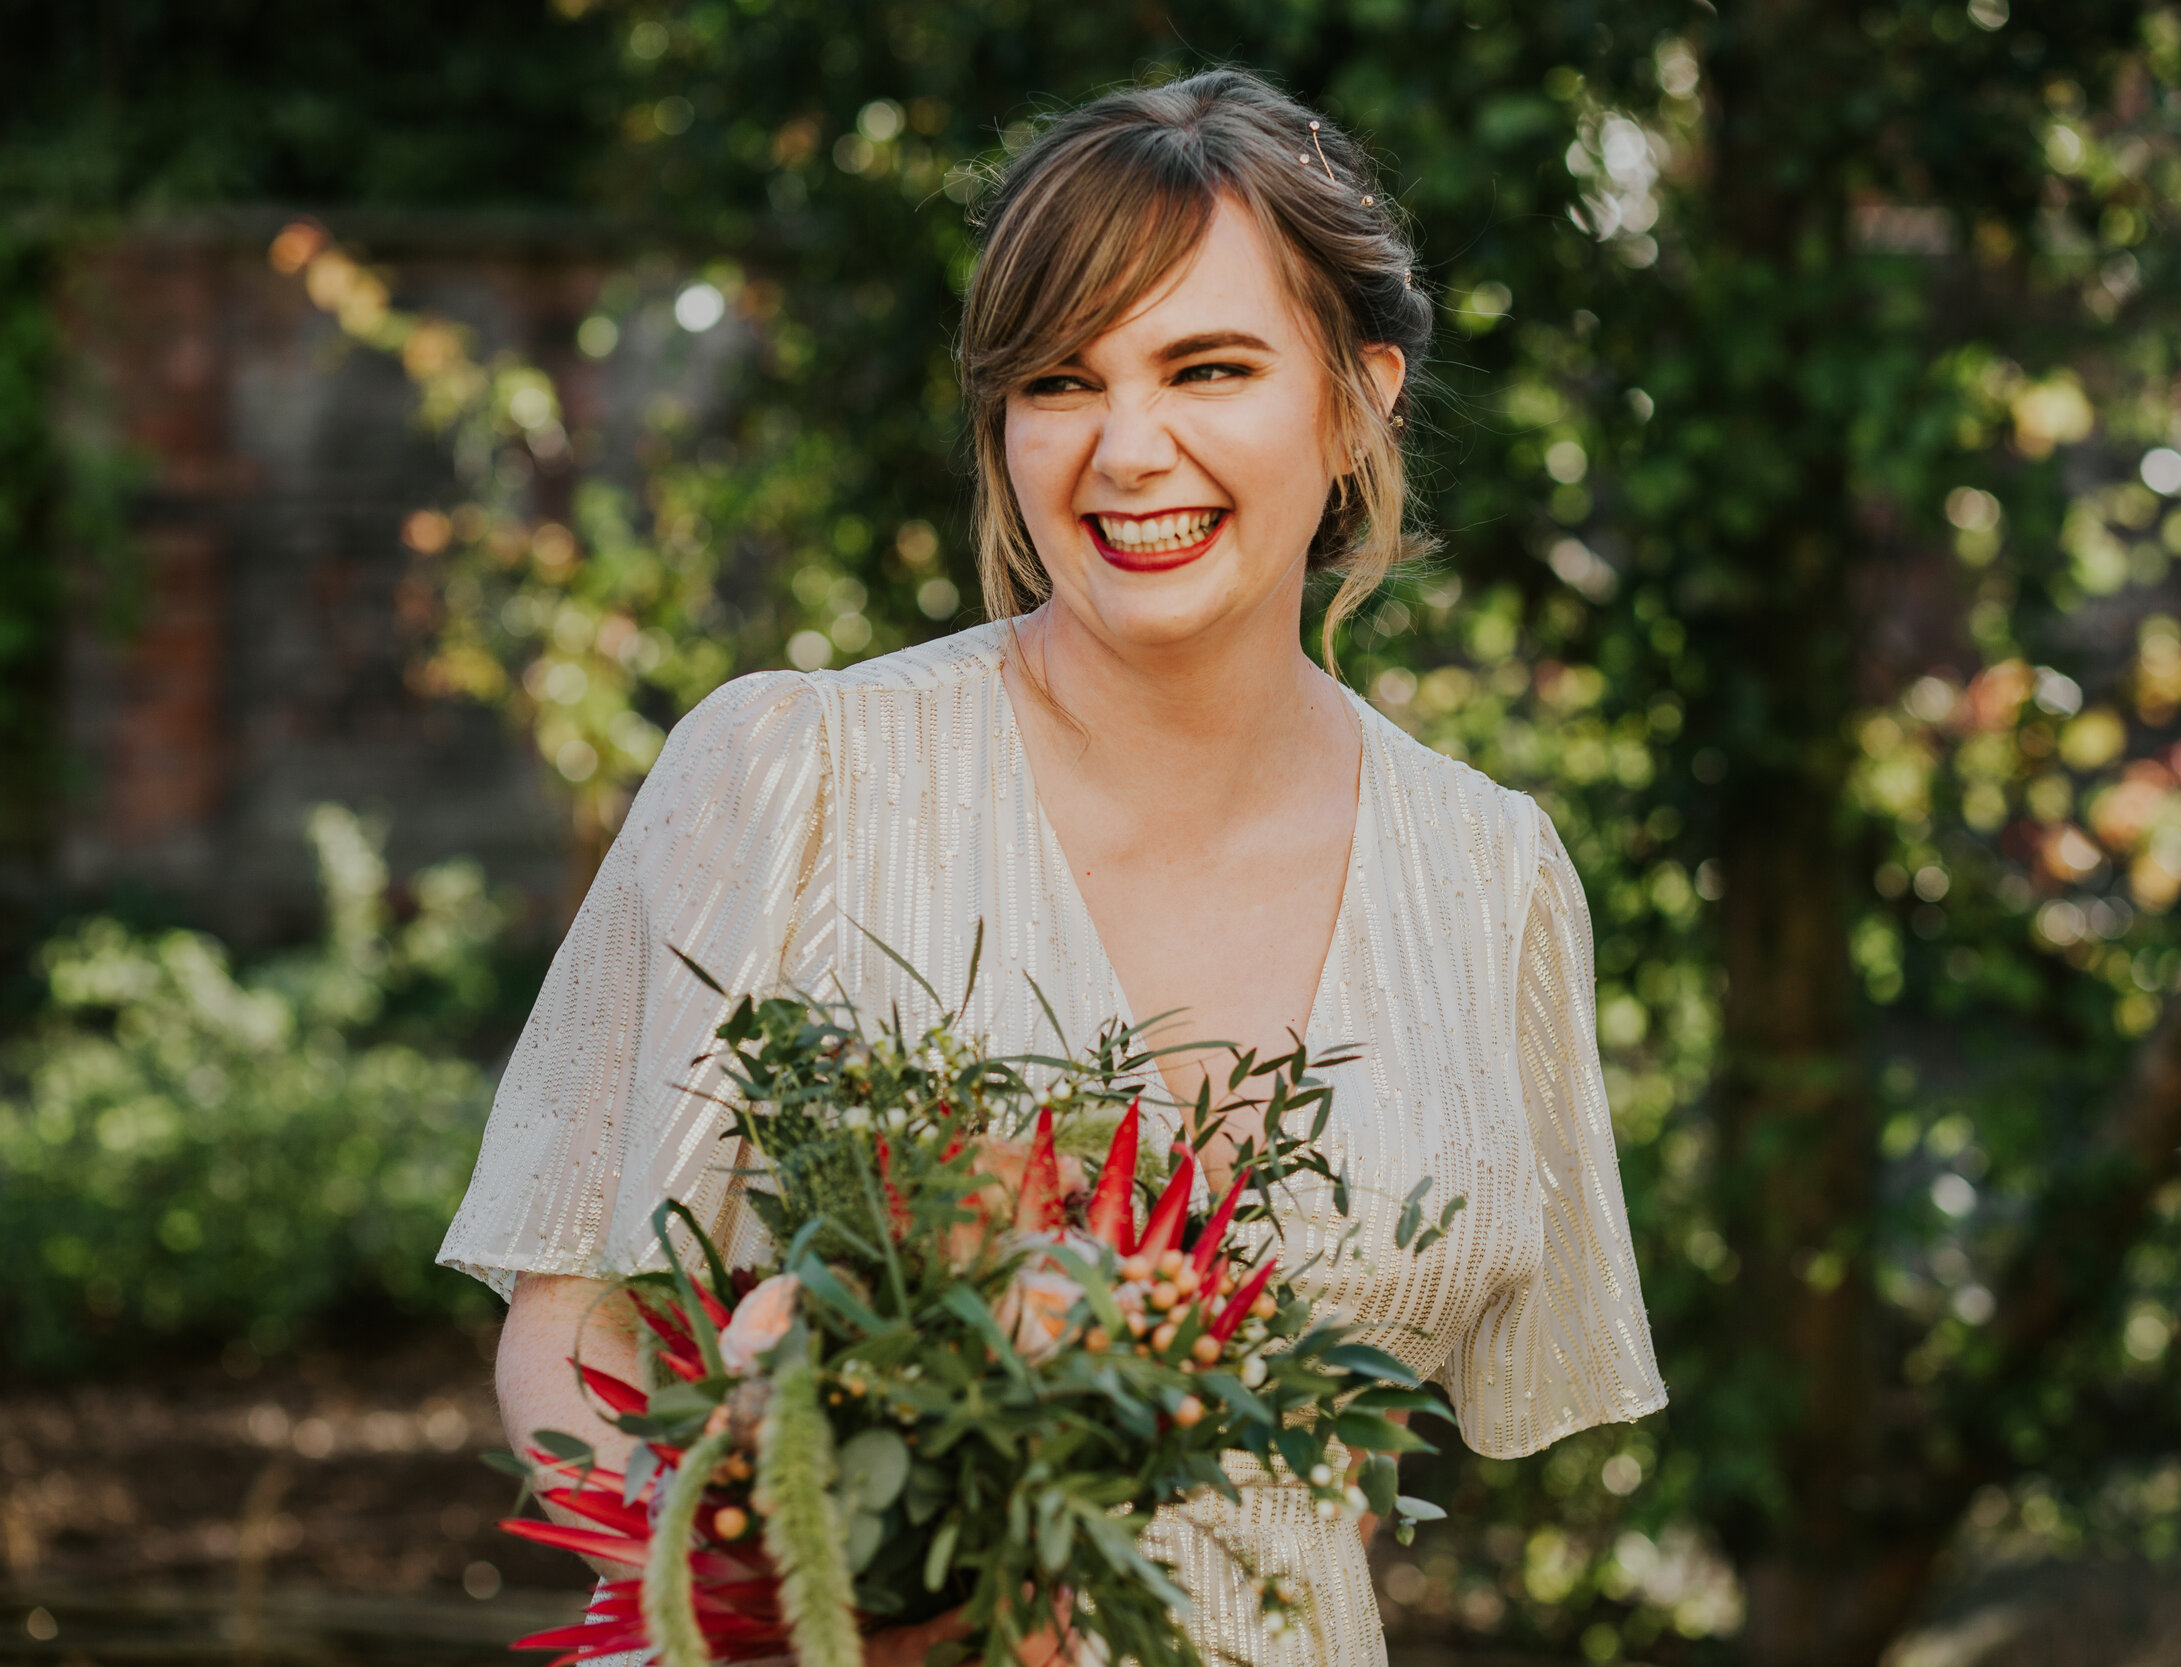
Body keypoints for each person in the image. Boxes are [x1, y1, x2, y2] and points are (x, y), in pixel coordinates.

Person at [440, 67, 1666, 1667]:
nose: (1128, 447)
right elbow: (578, 1340)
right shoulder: (793, 777)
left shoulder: (1488, 875)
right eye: (1061, 383)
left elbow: (1359, 1465)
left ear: (1357, 399)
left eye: (1208, 367)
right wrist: (780, 1577)